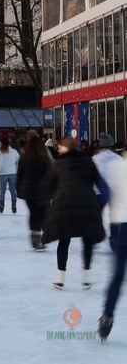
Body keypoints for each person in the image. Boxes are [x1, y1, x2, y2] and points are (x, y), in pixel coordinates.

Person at [42, 136, 107, 290]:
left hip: (65, 204)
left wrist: (54, 194)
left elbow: (47, 185)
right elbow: (100, 184)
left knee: (64, 240)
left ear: (64, 148)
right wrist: (99, 204)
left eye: (59, 147)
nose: (57, 149)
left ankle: (60, 277)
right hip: (86, 203)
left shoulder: (58, 164)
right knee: (87, 240)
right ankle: (86, 278)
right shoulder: (88, 161)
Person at [98, 138, 127, 342]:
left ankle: (108, 314)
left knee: (117, 276)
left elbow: (108, 194)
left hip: (123, 224)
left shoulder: (119, 165)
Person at [16, 135, 51, 251]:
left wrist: (18, 188)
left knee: (33, 213)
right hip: (41, 190)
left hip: (28, 190)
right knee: (41, 213)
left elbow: (20, 175)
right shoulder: (44, 158)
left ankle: (35, 236)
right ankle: (38, 236)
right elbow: (50, 175)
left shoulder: (24, 158)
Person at [93, 133, 121, 251]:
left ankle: (95, 236)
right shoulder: (117, 158)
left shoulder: (94, 159)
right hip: (115, 191)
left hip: (98, 191)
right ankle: (114, 240)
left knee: (96, 215)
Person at [0, 135, 20, 214]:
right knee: (13, 190)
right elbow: (18, 159)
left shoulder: (0, 153)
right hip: (12, 172)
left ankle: (1, 206)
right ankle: (14, 206)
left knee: (2, 191)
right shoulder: (14, 151)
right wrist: (15, 167)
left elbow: (0, 164)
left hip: (3, 173)